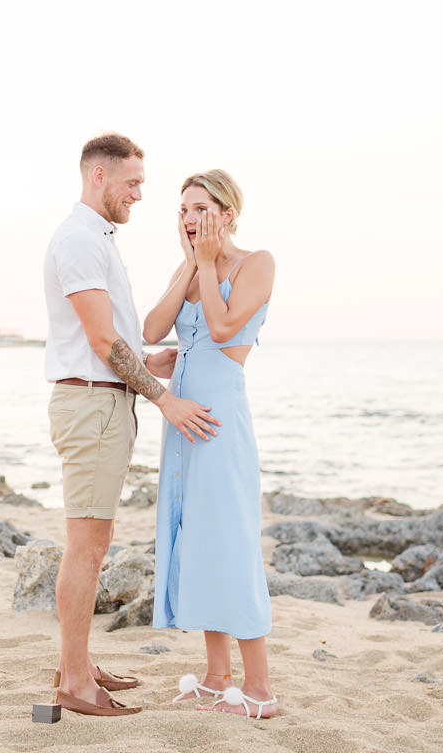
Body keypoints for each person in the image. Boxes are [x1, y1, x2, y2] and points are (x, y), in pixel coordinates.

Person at [43, 134, 221, 717]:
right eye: (133, 183)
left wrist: (148, 366)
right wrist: (164, 398)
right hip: (92, 405)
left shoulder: (97, 238)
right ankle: (73, 681)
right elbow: (99, 340)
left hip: (106, 399)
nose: (140, 195)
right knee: (87, 546)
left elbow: (113, 340)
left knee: (95, 542)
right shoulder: (77, 240)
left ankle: (79, 663)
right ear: (99, 177)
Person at [144, 169, 278, 719]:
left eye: (200, 208)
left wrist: (203, 264)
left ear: (227, 213)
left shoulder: (258, 263)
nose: (190, 219)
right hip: (182, 428)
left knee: (232, 543)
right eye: (183, 210)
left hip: (220, 424)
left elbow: (222, 331)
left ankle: (261, 689)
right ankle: (216, 676)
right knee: (197, 540)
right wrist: (188, 264)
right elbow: (152, 331)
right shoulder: (188, 266)